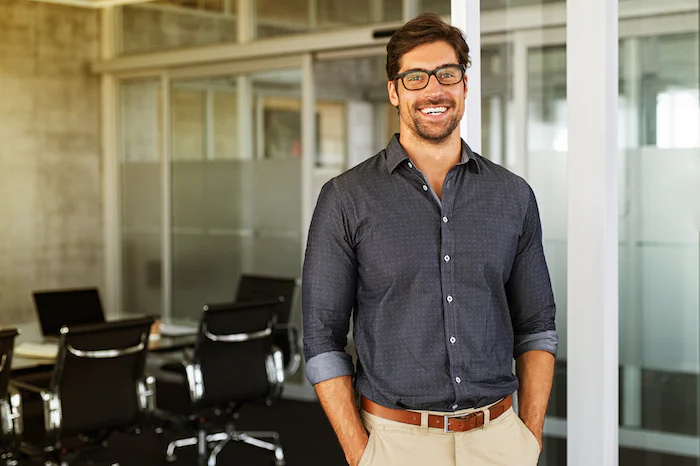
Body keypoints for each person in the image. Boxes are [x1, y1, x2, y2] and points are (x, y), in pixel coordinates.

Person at [302, 12, 557, 466]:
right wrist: (359, 452)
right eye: (415, 77)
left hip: (499, 441)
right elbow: (322, 339)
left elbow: (537, 326)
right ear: (394, 91)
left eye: (447, 74)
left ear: (463, 86)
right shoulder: (345, 198)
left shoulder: (512, 195)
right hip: (395, 444)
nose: (433, 90)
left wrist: (529, 438)